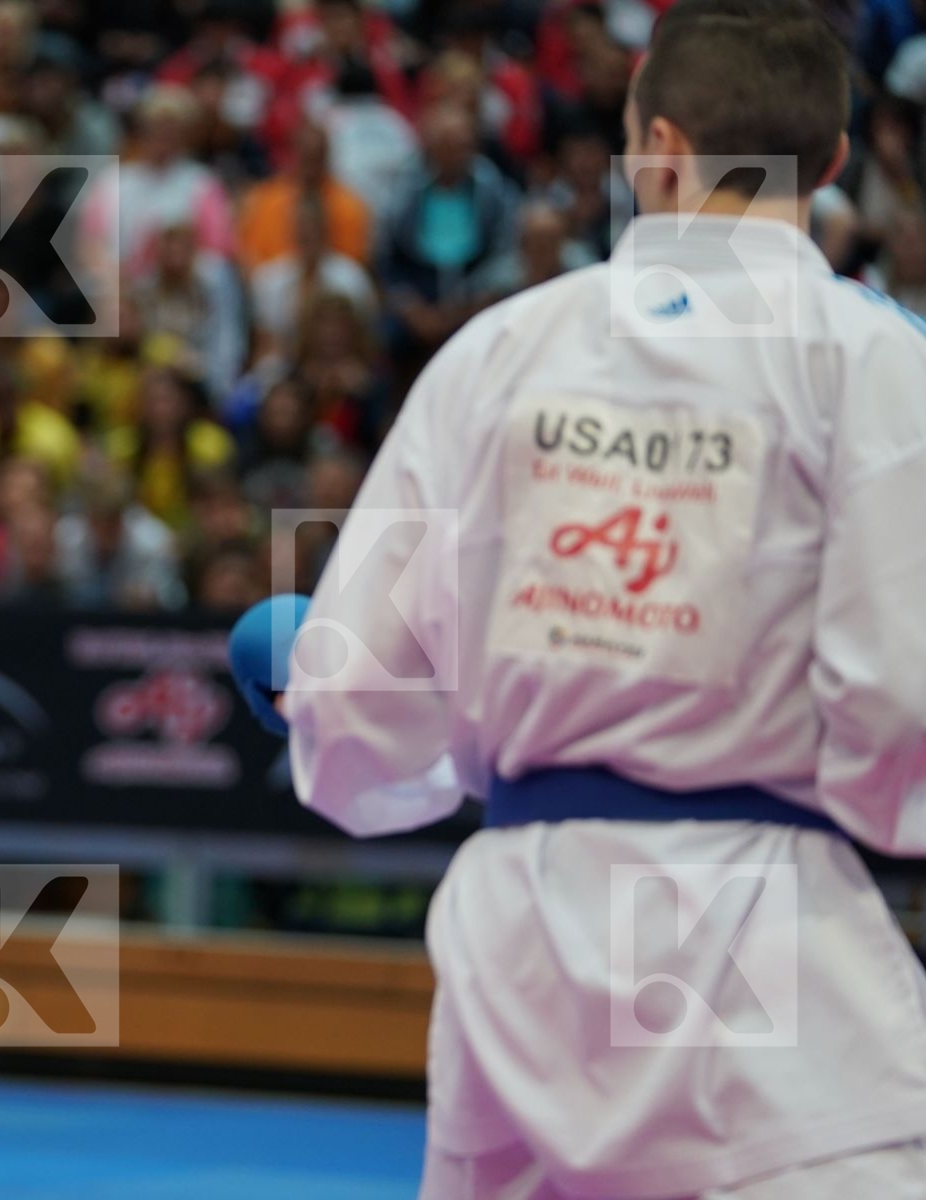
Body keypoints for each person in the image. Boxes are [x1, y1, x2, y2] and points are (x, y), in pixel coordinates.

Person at [235, 1, 926, 1195]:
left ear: (656, 147)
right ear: (830, 163)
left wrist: (355, 720)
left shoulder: (499, 350)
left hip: (524, 955)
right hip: (766, 938)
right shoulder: (873, 360)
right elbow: (900, 704)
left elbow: (357, 701)